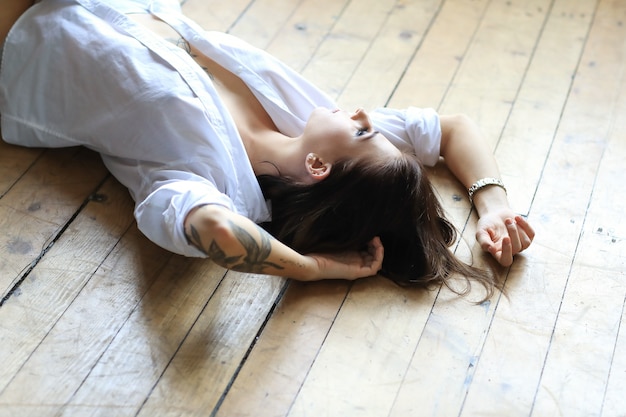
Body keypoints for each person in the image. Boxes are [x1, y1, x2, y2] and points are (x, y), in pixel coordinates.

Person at [0, 0, 534, 298]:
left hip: (27, 31)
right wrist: (494, 203)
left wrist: (308, 268)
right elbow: (451, 129)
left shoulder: (207, 182)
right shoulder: (307, 113)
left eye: (366, 134)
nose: (367, 117)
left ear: (319, 166)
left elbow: (214, 232)